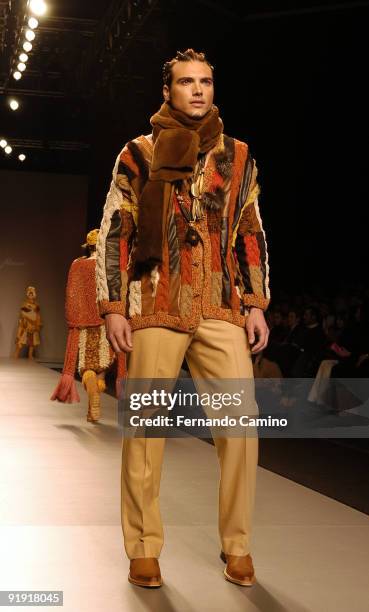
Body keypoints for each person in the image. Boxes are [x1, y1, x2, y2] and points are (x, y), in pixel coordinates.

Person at [96, 49, 270, 588]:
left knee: (240, 428)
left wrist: (257, 301)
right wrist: (113, 306)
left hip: (220, 305)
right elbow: (116, 230)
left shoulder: (238, 157)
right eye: (186, 82)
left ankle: (237, 544)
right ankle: (142, 548)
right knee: (145, 432)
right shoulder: (139, 153)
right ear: (167, 90)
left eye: (206, 82)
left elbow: (250, 230)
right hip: (154, 302)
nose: (198, 90)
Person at [51, 229, 121, 422]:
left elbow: (71, 293)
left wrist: (73, 319)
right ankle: (92, 407)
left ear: (88, 245)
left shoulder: (77, 265)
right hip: (106, 321)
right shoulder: (108, 265)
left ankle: (92, 404)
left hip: (83, 324)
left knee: (86, 367)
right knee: (104, 365)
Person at [14, 286, 42, 360]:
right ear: (27, 294)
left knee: (32, 342)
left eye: (32, 294)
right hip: (26, 325)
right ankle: (16, 354)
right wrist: (30, 317)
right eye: (29, 294)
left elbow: (38, 315)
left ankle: (30, 355)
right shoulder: (25, 304)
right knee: (21, 340)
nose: (31, 295)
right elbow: (23, 314)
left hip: (33, 326)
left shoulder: (36, 305)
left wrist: (38, 323)